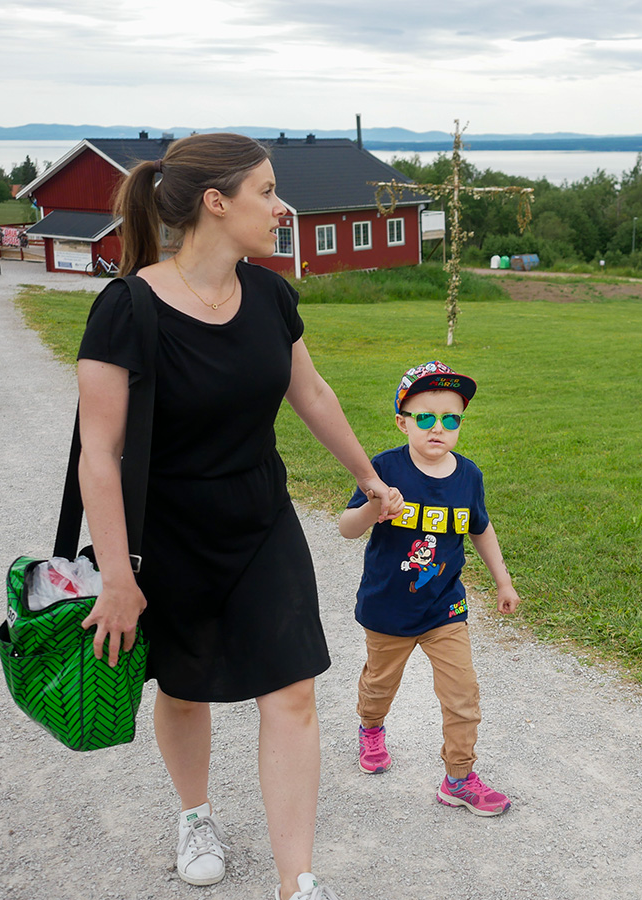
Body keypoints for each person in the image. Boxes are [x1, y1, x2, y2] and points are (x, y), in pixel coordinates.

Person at [76, 133, 403, 900]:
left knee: (290, 688)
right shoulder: (125, 309)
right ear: (217, 203)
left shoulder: (268, 295)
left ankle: (298, 881)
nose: (283, 207)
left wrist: (368, 478)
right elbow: (99, 454)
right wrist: (117, 578)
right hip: (169, 529)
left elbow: (311, 393)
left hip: (260, 519)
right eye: (267, 190)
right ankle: (195, 816)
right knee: (184, 690)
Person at [339, 360, 520, 815]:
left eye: (450, 419)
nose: (438, 428)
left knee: (463, 696)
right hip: (389, 609)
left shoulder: (469, 476)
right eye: (425, 417)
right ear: (403, 421)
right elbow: (346, 527)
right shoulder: (384, 468)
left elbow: (480, 528)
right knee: (380, 685)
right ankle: (371, 727)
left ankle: (458, 778)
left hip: (444, 608)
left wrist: (503, 579)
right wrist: (375, 505)